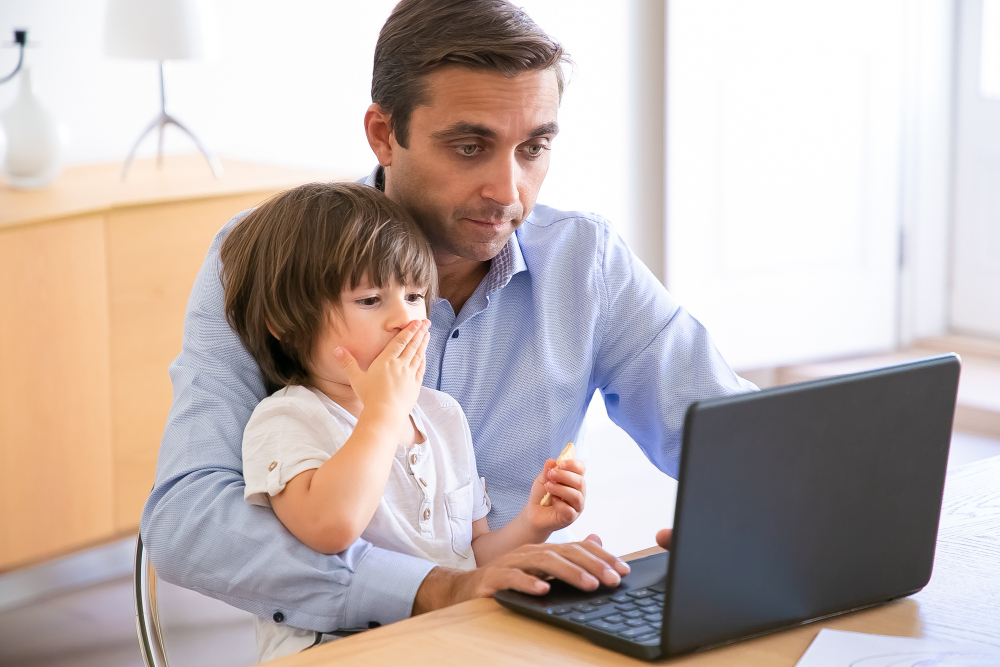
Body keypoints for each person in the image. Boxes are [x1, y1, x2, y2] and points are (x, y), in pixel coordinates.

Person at [141, 0, 753, 639]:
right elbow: (188, 524)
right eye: (469, 146)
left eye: (534, 148)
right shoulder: (274, 258)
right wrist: (438, 589)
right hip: (350, 641)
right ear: (384, 134)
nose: (508, 191)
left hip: (522, 622)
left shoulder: (585, 262)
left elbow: (732, 435)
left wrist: (762, 515)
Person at [220, 182, 589, 661]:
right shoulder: (287, 418)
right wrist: (383, 413)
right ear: (286, 323)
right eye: (370, 300)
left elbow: (470, 560)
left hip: (446, 639)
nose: (404, 319)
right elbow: (331, 527)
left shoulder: (442, 416)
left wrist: (532, 524)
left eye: (415, 296)